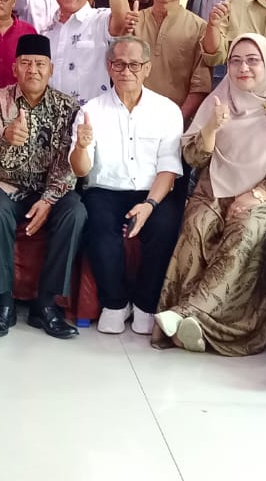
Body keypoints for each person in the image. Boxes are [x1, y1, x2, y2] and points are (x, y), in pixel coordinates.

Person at [153, 34, 266, 355]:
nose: (243, 68)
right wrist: (211, 128)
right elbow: (193, 158)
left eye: (253, 60)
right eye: (236, 61)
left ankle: (188, 315)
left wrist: (258, 194)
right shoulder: (219, 100)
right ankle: (191, 328)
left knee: (246, 229)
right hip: (216, 188)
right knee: (197, 225)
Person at [71, 36, 184, 336]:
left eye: (134, 65)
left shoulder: (167, 110)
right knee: (99, 225)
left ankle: (145, 304)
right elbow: (81, 170)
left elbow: (169, 168)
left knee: (165, 226)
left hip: (153, 191)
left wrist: (149, 205)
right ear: (109, 67)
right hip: (104, 191)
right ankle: (115, 303)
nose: (126, 71)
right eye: (119, 64)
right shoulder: (90, 111)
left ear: (147, 68)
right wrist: (81, 146)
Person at [0, 34, 84, 340]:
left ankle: (46, 304)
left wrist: (48, 200)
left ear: (51, 69)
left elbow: (66, 162)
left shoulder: (67, 106)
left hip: (48, 189)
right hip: (6, 185)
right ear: (14, 68)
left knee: (75, 211)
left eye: (39, 64)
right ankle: (2, 303)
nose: (32, 70)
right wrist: (6, 137)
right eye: (25, 63)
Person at [107, 0, 212, 121]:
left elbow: (200, 87)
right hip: (131, 118)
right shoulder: (134, 21)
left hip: (175, 120)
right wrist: (124, 33)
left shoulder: (199, 28)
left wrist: (177, 120)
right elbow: (117, 70)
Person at [45, 0, 115, 106]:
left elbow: (122, 19)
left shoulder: (101, 20)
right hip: (52, 117)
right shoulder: (46, 31)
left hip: (91, 116)